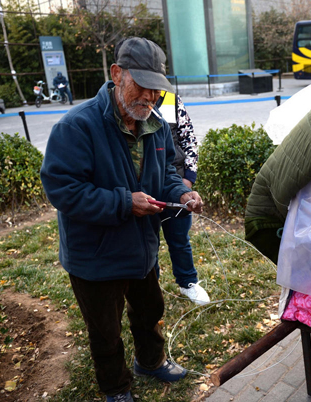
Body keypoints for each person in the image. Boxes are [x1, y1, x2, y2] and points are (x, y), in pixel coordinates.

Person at [41, 37, 203, 402]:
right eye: (140, 87)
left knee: (150, 311)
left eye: (156, 90)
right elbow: (62, 190)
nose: (148, 97)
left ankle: (150, 361)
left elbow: (166, 175)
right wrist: (122, 202)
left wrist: (181, 193)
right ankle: (116, 388)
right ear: (117, 74)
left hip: (141, 248)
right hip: (95, 256)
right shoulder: (77, 127)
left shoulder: (157, 125)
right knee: (105, 329)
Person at [157, 92, 210, 305]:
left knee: (179, 240)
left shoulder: (171, 99)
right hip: (143, 187)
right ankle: (149, 288)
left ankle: (188, 282)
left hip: (176, 182)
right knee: (146, 242)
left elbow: (188, 139)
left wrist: (187, 179)